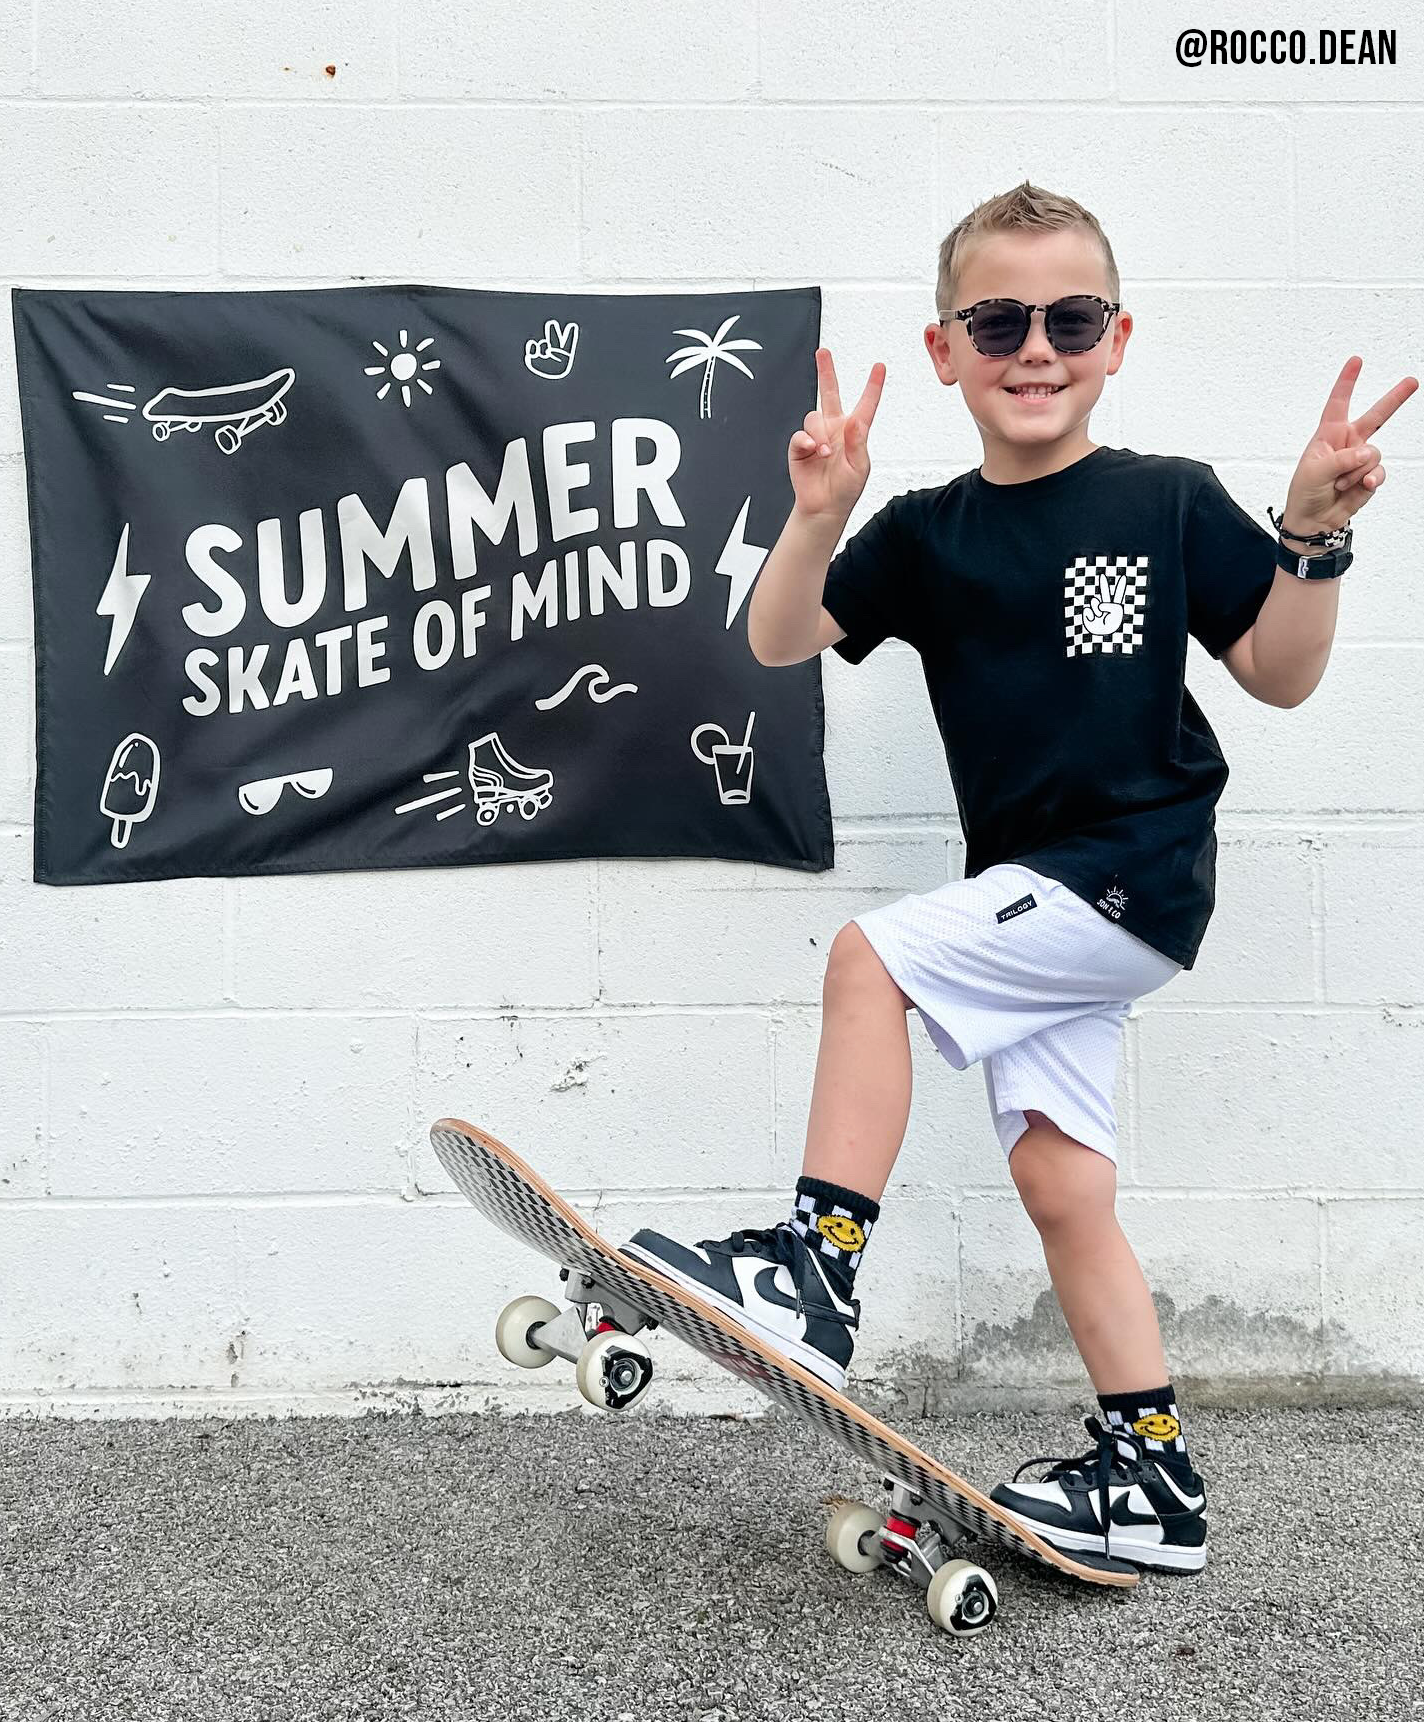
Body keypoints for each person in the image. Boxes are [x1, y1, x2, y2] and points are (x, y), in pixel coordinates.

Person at [622, 180, 1412, 1574]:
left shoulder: (1166, 500)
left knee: (870, 960)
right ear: (945, 352)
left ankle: (811, 1271)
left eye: (1071, 320)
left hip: (1130, 871)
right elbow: (780, 637)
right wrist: (818, 515)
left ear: (1118, 339)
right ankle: (1150, 1478)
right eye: (998, 323)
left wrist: (1311, 537)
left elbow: (1279, 675)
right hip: (1044, 890)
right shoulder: (930, 532)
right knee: (1060, 1180)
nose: (1035, 348)